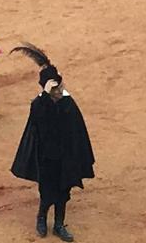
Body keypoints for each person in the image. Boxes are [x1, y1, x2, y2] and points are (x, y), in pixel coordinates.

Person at [10, 43, 95, 242]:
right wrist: (46, 96)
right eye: (54, 88)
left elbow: (76, 131)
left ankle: (58, 224)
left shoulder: (68, 103)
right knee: (47, 193)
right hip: (47, 159)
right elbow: (41, 120)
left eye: (59, 86)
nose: (59, 90)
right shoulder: (40, 104)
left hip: (65, 157)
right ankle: (41, 218)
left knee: (63, 193)